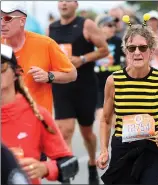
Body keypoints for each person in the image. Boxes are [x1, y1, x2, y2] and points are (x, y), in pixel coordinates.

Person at [96, 14, 158, 185]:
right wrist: (103, 150)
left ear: (151, 51)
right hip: (123, 148)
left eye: (143, 48)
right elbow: (106, 120)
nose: (137, 52)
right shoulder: (114, 81)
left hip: (153, 148)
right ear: (126, 51)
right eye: (131, 48)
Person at [48, 1, 109, 184]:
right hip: (61, 86)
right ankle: (66, 174)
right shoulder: (51, 28)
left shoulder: (86, 24)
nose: (64, 4)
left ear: (75, 4)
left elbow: (104, 49)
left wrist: (82, 59)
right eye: (61, 1)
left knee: (87, 133)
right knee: (64, 131)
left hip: (84, 86)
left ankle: (92, 164)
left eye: (68, 0)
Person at [1, 44, 79, 185]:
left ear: (16, 73)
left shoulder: (37, 115)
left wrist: (46, 168)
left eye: (2, 66)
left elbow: (70, 164)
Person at [1, 1, 77, 114]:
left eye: (7, 18)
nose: (2, 23)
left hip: (37, 119)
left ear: (22, 21)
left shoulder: (45, 44)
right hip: (5, 119)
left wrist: (49, 76)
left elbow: (72, 74)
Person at [94, 14, 125, 124]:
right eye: (109, 25)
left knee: (116, 121)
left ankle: (119, 139)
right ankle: (106, 141)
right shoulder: (92, 41)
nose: (113, 28)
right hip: (98, 85)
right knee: (102, 116)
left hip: (116, 84)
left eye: (114, 25)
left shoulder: (119, 41)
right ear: (100, 27)